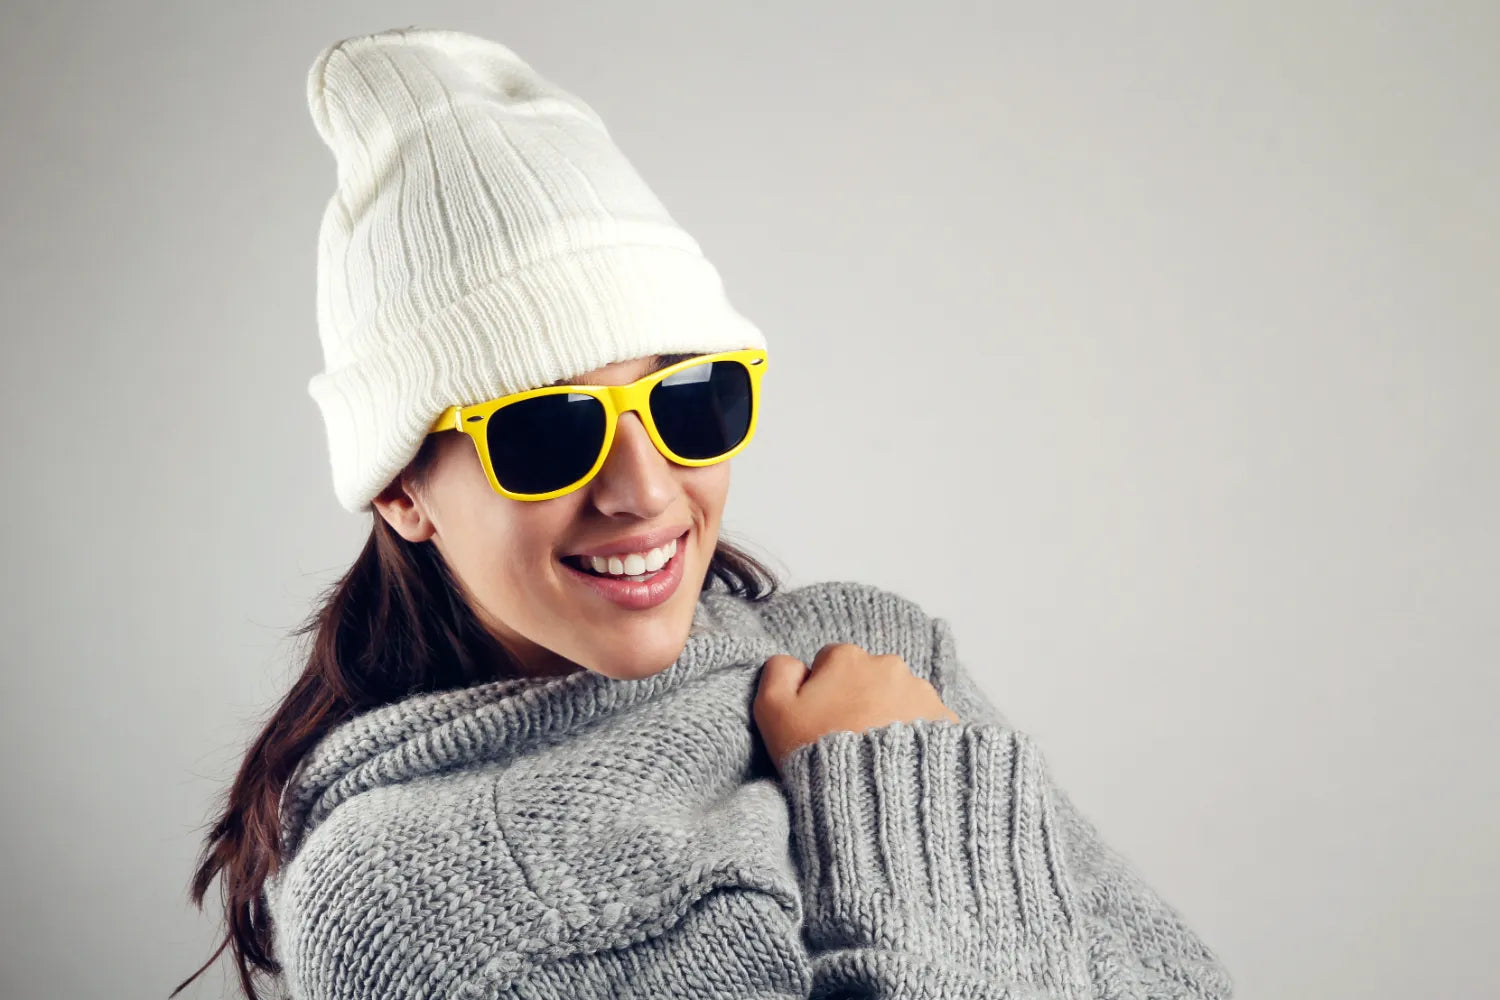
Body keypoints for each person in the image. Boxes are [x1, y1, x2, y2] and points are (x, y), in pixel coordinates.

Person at [173, 26, 1234, 1000]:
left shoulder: (873, 651)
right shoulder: (392, 897)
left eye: (689, 402)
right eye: (547, 433)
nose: (642, 490)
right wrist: (896, 784)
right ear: (404, 488)